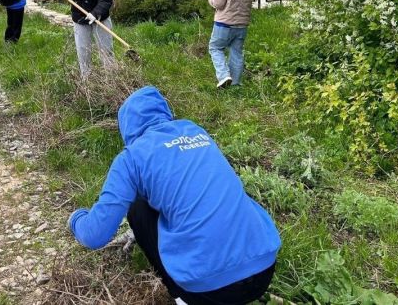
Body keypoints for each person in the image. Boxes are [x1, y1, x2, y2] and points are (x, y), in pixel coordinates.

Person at [68, 86, 280, 305]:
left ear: (126, 127)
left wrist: (76, 219)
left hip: (209, 290)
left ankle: (181, 297)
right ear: (165, 112)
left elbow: (95, 235)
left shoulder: (131, 157)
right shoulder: (195, 131)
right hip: (264, 268)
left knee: (138, 209)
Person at [208, 0, 254, 88]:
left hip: (224, 25)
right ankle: (235, 84)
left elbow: (218, 3)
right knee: (237, 52)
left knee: (215, 48)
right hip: (242, 26)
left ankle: (223, 76)